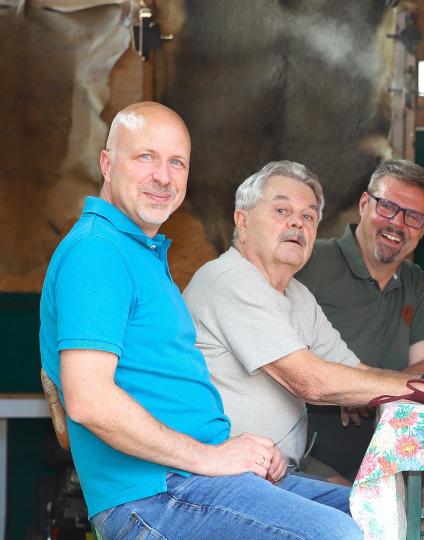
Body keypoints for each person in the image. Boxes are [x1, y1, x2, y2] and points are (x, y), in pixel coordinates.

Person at [38, 102, 362, 539]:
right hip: (151, 494)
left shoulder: (140, 253)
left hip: (201, 479)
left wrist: (234, 451)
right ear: (107, 164)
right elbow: (89, 399)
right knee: (336, 533)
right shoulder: (97, 251)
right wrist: (210, 457)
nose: (163, 176)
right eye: (146, 157)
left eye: (177, 162)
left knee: (377, 513)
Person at [181, 160, 424, 478]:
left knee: (394, 500)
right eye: (282, 211)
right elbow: (310, 381)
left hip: (281, 468)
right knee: (370, 505)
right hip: (222, 476)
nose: (297, 224)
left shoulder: (298, 295)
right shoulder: (230, 278)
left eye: (308, 216)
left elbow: (357, 371)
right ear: (242, 221)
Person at [295, 159, 424, 531]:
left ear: (423, 230)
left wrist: (369, 390)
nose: (398, 223)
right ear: (364, 204)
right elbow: (286, 362)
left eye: (414, 217)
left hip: (394, 443)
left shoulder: (414, 281)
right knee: (358, 509)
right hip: (312, 445)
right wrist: (346, 387)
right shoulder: (311, 261)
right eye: (389, 207)